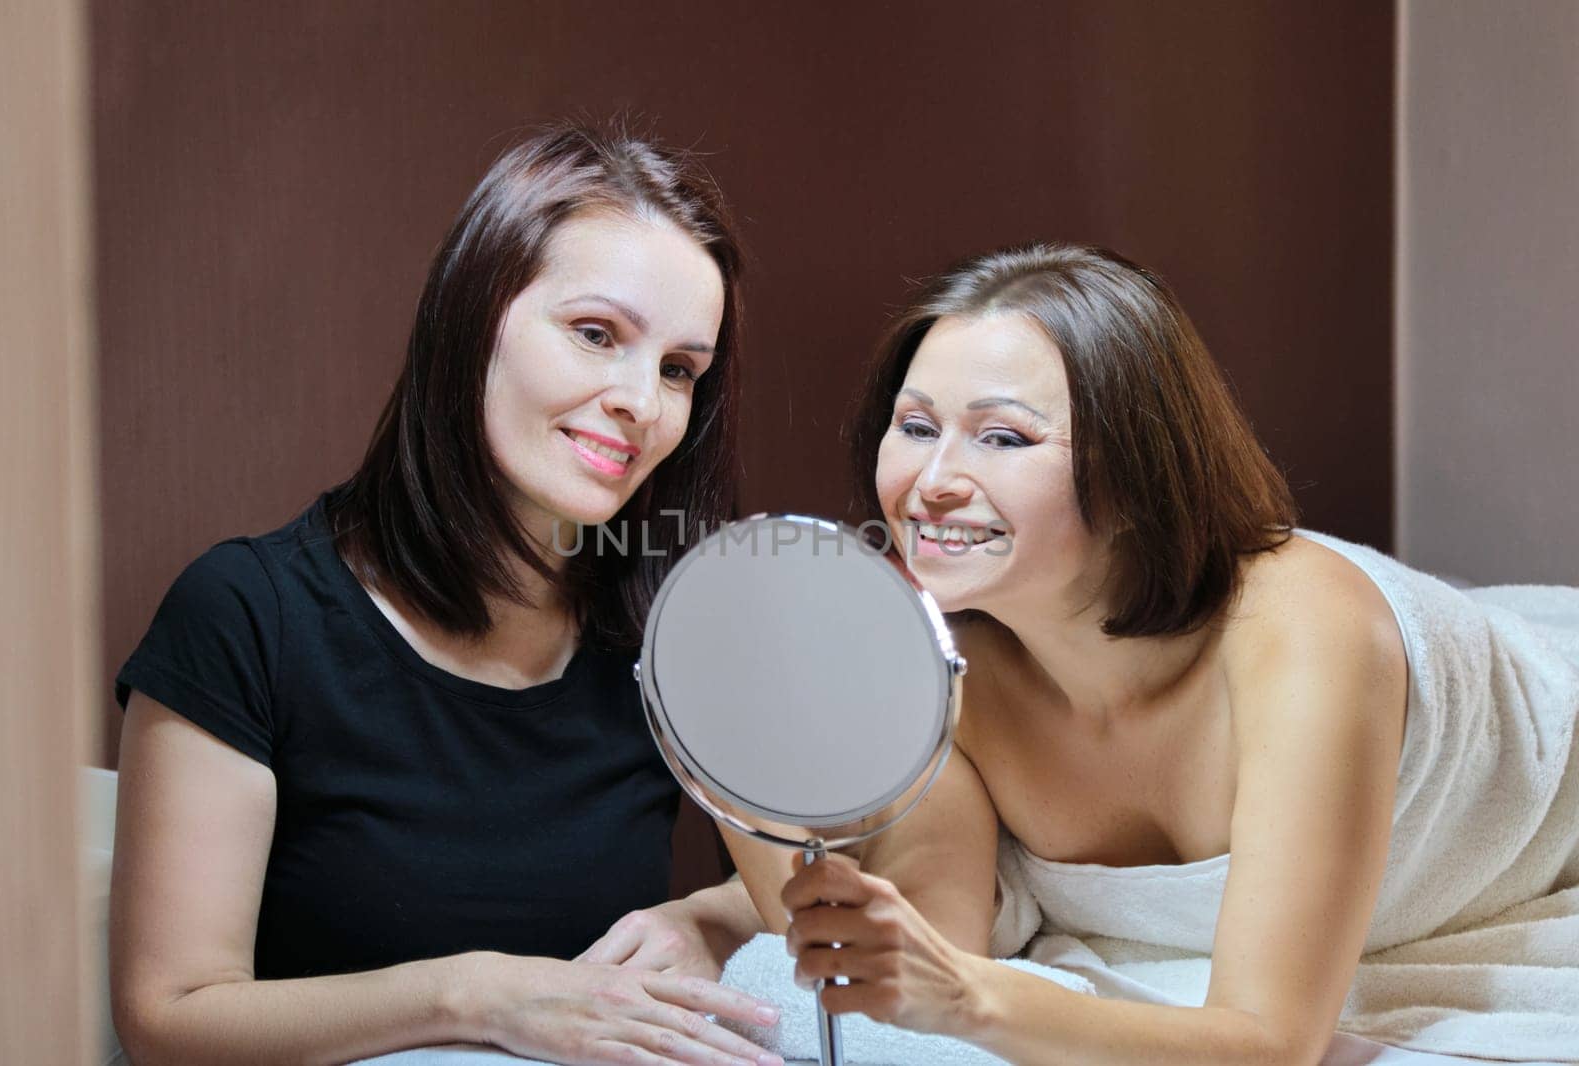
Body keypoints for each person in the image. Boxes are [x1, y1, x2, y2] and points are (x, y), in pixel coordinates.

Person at [727, 242, 1579, 1063]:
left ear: (1138, 468)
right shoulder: (947, 677)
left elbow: (1271, 1043)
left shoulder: (1304, 635)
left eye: (1004, 438)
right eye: (915, 427)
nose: (934, 479)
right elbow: (913, 963)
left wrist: (975, 1002)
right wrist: (735, 742)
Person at [109, 124, 782, 1066]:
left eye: (679, 369)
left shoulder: (668, 624)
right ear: (472, 319)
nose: (643, 399)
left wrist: (707, 921)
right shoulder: (246, 614)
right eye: (597, 334)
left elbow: (840, 897)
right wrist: (475, 994)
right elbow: (170, 1015)